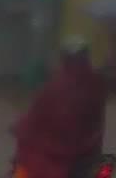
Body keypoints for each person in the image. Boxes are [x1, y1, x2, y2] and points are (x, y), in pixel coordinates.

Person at [11, 36, 108, 178]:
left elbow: (37, 115)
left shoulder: (57, 86)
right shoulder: (95, 82)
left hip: (55, 156)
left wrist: (21, 127)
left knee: (28, 160)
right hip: (87, 151)